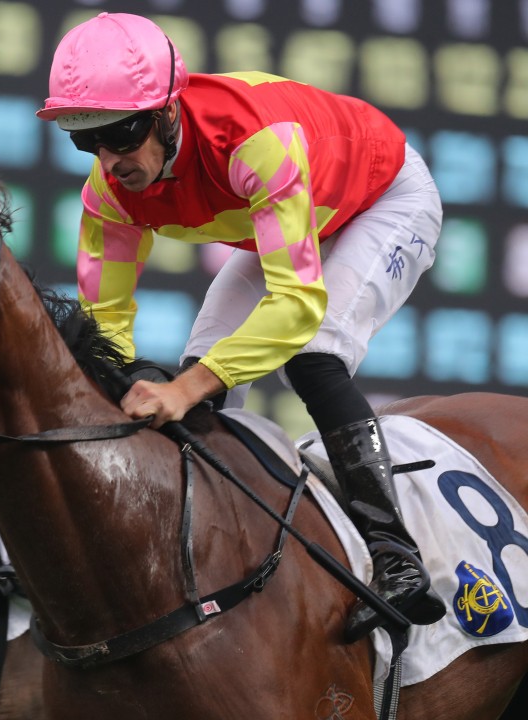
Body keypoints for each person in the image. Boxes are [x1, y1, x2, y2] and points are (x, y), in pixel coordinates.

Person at [37, 12, 446, 641]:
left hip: (383, 198)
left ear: (169, 112)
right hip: (291, 215)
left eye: (121, 133)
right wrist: (136, 380)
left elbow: (297, 303)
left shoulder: (253, 141)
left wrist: (182, 387)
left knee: (310, 352)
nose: (111, 159)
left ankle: (396, 555)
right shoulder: (109, 194)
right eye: (84, 139)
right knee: (206, 374)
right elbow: (106, 326)